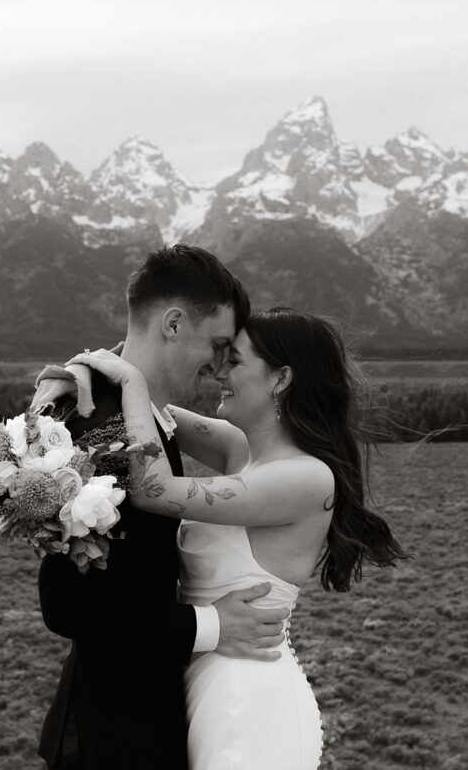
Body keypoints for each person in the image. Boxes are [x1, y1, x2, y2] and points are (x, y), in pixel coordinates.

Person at [68, 306, 408, 770]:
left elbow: (154, 489)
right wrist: (75, 372)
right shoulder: (241, 450)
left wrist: (128, 380)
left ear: (281, 378)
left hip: (250, 700)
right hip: (206, 683)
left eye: (236, 360)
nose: (218, 372)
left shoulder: (307, 478)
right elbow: (151, 400)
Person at [33, 246, 291, 770]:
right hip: (111, 735)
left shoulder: (139, 417)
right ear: (174, 324)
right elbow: (68, 603)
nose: (219, 367)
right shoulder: (100, 426)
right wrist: (212, 625)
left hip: (138, 722)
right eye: (217, 344)